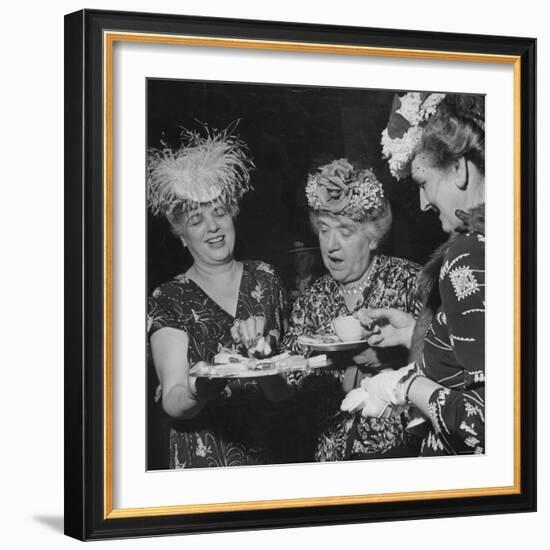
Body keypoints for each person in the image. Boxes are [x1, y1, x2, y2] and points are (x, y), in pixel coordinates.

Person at [342, 92, 485, 456]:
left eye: (423, 183)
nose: (422, 204)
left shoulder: (466, 256)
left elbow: (485, 423)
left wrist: (402, 388)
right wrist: (412, 332)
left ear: (460, 169)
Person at [147, 125, 296, 468]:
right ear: (181, 235)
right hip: (204, 459)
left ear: (233, 215)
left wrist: (266, 363)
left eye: (219, 213)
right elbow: (172, 398)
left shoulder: (266, 277)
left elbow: (283, 393)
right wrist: (201, 389)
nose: (213, 227)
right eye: (197, 220)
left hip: (273, 454)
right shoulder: (168, 297)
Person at [282, 158, 422, 461]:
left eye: (345, 232)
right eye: (323, 230)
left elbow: (449, 369)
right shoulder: (312, 298)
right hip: (331, 462)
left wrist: (388, 360)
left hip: (399, 460)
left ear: (372, 237)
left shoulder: (411, 282)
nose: (331, 245)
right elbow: (287, 386)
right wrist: (263, 360)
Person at [285, 237, 322, 302]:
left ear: (311, 260)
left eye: (302, 257)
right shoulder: (287, 284)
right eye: (296, 257)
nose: (297, 261)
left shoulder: (320, 284)